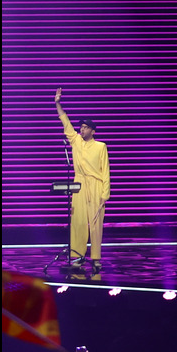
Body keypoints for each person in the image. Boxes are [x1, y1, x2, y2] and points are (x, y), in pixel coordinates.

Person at [54, 88, 110, 271]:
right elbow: (65, 122)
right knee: (78, 222)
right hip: (78, 184)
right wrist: (58, 103)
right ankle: (78, 256)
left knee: (95, 224)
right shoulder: (76, 141)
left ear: (92, 131)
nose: (82, 129)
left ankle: (96, 257)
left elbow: (105, 171)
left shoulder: (101, 146)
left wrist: (105, 194)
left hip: (96, 185)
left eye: (86, 127)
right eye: (82, 127)